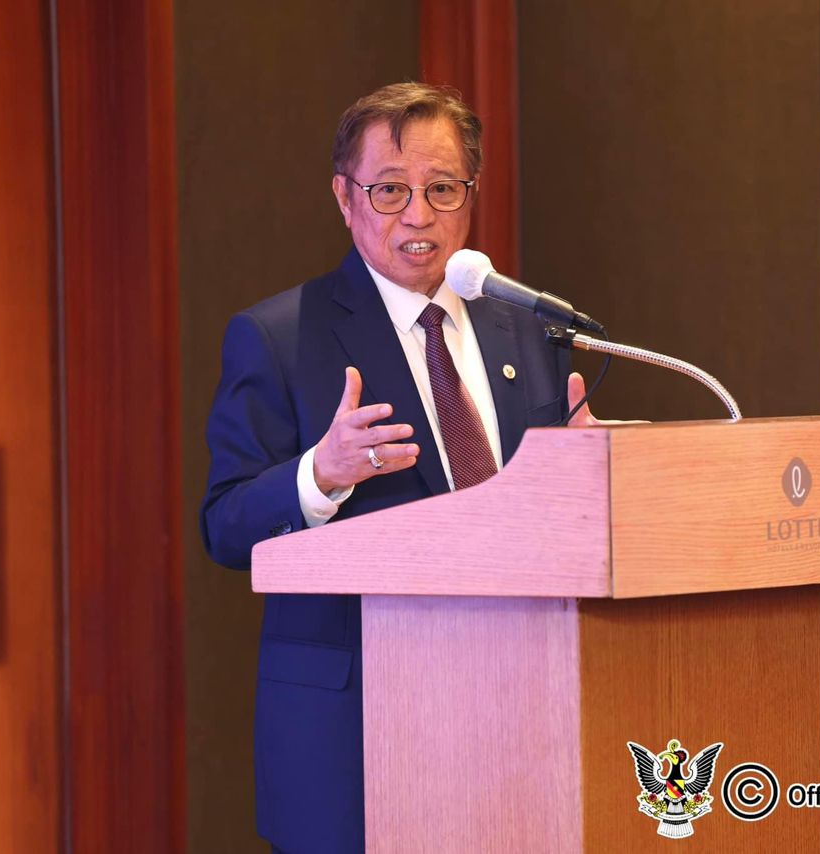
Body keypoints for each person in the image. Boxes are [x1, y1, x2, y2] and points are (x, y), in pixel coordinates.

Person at [200, 82, 601, 853]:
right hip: (356, 729)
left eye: (442, 188)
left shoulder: (528, 332)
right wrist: (320, 475)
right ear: (344, 198)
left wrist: (586, 473)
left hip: (522, 713)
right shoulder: (281, 336)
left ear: (471, 194)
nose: (418, 215)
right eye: (390, 190)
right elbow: (223, 526)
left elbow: (541, 521)